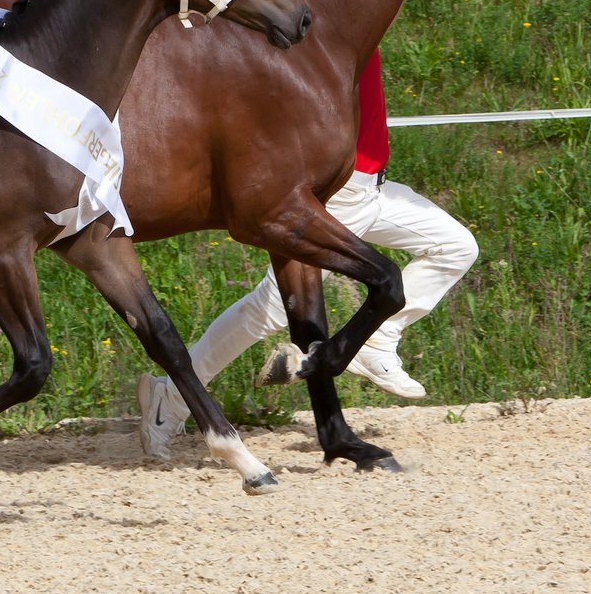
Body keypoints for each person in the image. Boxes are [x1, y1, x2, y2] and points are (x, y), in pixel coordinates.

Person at [136, 50, 479, 459]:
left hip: (375, 190)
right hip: (341, 196)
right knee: (272, 309)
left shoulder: (363, 27)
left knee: (456, 247)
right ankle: (170, 399)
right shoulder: (321, 37)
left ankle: (378, 339)